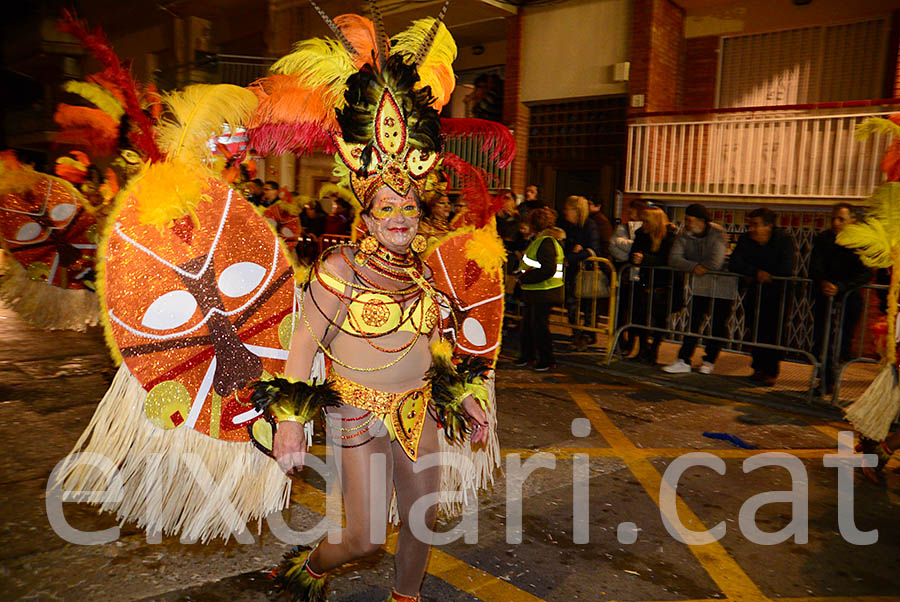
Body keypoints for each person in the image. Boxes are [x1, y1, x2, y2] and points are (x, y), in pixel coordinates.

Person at [245, 12, 510, 602]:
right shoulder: (337, 271)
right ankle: (310, 567)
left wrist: (465, 395)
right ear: (365, 214)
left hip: (422, 410)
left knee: (422, 519)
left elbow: (437, 345)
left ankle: (405, 597)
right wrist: (289, 421)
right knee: (364, 539)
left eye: (408, 208)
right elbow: (303, 347)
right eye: (386, 207)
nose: (398, 218)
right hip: (357, 414)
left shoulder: (422, 271)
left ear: (420, 214)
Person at [664, 203, 736, 374]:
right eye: (686, 220)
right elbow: (673, 259)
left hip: (723, 283)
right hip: (701, 283)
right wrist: (695, 266)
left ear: (701, 221)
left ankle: (710, 360)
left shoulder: (717, 233)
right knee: (694, 320)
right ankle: (684, 359)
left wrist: (698, 267)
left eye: (689, 220)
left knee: (718, 322)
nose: (686, 224)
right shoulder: (685, 235)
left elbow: (716, 261)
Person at [729, 207, 796, 386]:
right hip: (754, 291)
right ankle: (758, 367)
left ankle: (771, 370)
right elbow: (735, 263)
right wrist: (755, 272)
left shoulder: (784, 240)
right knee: (754, 327)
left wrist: (768, 274)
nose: (751, 229)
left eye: (755, 225)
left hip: (777, 293)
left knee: (774, 331)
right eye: (750, 225)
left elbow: (787, 267)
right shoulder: (745, 239)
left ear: (769, 226)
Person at [810, 203, 871, 393]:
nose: (835, 223)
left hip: (848, 298)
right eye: (833, 218)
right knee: (821, 339)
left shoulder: (861, 242)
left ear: (852, 221)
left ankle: (834, 378)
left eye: (841, 219)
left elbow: (865, 273)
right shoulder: (824, 239)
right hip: (824, 296)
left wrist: (840, 287)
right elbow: (815, 266)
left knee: (843, 341)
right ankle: (824, 379)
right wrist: (824, 283)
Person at [516, 207, 565, 371]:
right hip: (537, 291)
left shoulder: (545, 242)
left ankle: (546, 360)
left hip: (543, 291)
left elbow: (547, 269)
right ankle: (528, 357)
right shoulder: (542, 240)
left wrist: (524, 278)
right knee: (529, 326)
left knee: (539, 327)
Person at [630, 206, 677, 364]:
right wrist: (635, 257)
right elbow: (633, 253)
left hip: (663, 284)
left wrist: (645, 259)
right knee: (639, 317)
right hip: (644, 281)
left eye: (646, 221)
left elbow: (667, 260)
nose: (643, 225)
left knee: (659, 319)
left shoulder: (670, 237)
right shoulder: (641, 235)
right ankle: (643, 348)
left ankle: (654, 350)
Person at [558, 196, 601, 346]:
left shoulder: (590, 226)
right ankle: (576, 332)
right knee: (571, 304)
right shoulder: (566, 226)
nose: (565, 212)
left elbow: (593, 249)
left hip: (587, 272)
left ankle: (589, 333)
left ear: (576, 211)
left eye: (567, 209)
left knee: (589, 305)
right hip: (571, 271)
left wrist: (576, 255)